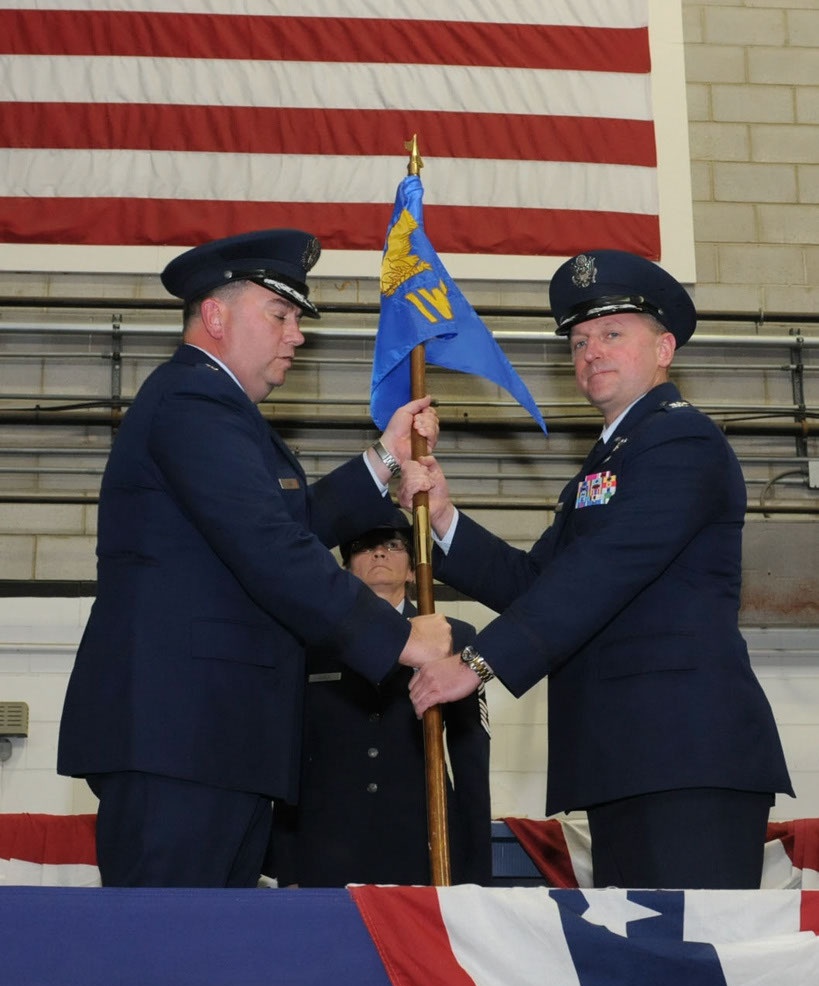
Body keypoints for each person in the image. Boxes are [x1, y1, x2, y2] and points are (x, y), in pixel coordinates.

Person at [57, 228, 452, 888]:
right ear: (215, 315)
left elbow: (281, 522)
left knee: (206, 961)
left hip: (212, 738)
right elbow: (269, 546)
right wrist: (400, 637)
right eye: (280, 315)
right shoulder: (192, 399)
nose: (296, 336)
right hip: (180, 738)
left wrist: (385, 459)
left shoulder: (217, 409)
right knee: (167, 959)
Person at [399, 249, 793, 890]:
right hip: (626, 761)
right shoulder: (610, 460)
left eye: (613, 333)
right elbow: (537, 585)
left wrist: (475, 665)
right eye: (579, 340)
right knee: (644, 973)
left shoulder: (682, 443)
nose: (591, 351)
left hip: (684, 759)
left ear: (664, 348)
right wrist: (443, 519)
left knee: (688, 966)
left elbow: (604, 573)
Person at [273, 519, 492, 887]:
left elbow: (470, 753)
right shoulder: (309, 643)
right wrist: (286, 863)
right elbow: (289, 753)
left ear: (412, 570)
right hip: (326, 843)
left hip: (422, 840)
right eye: (361, 546)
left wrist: (475, 869)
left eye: (394, 545)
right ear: (344, 570)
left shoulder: (453, 637)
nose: (378, 552)